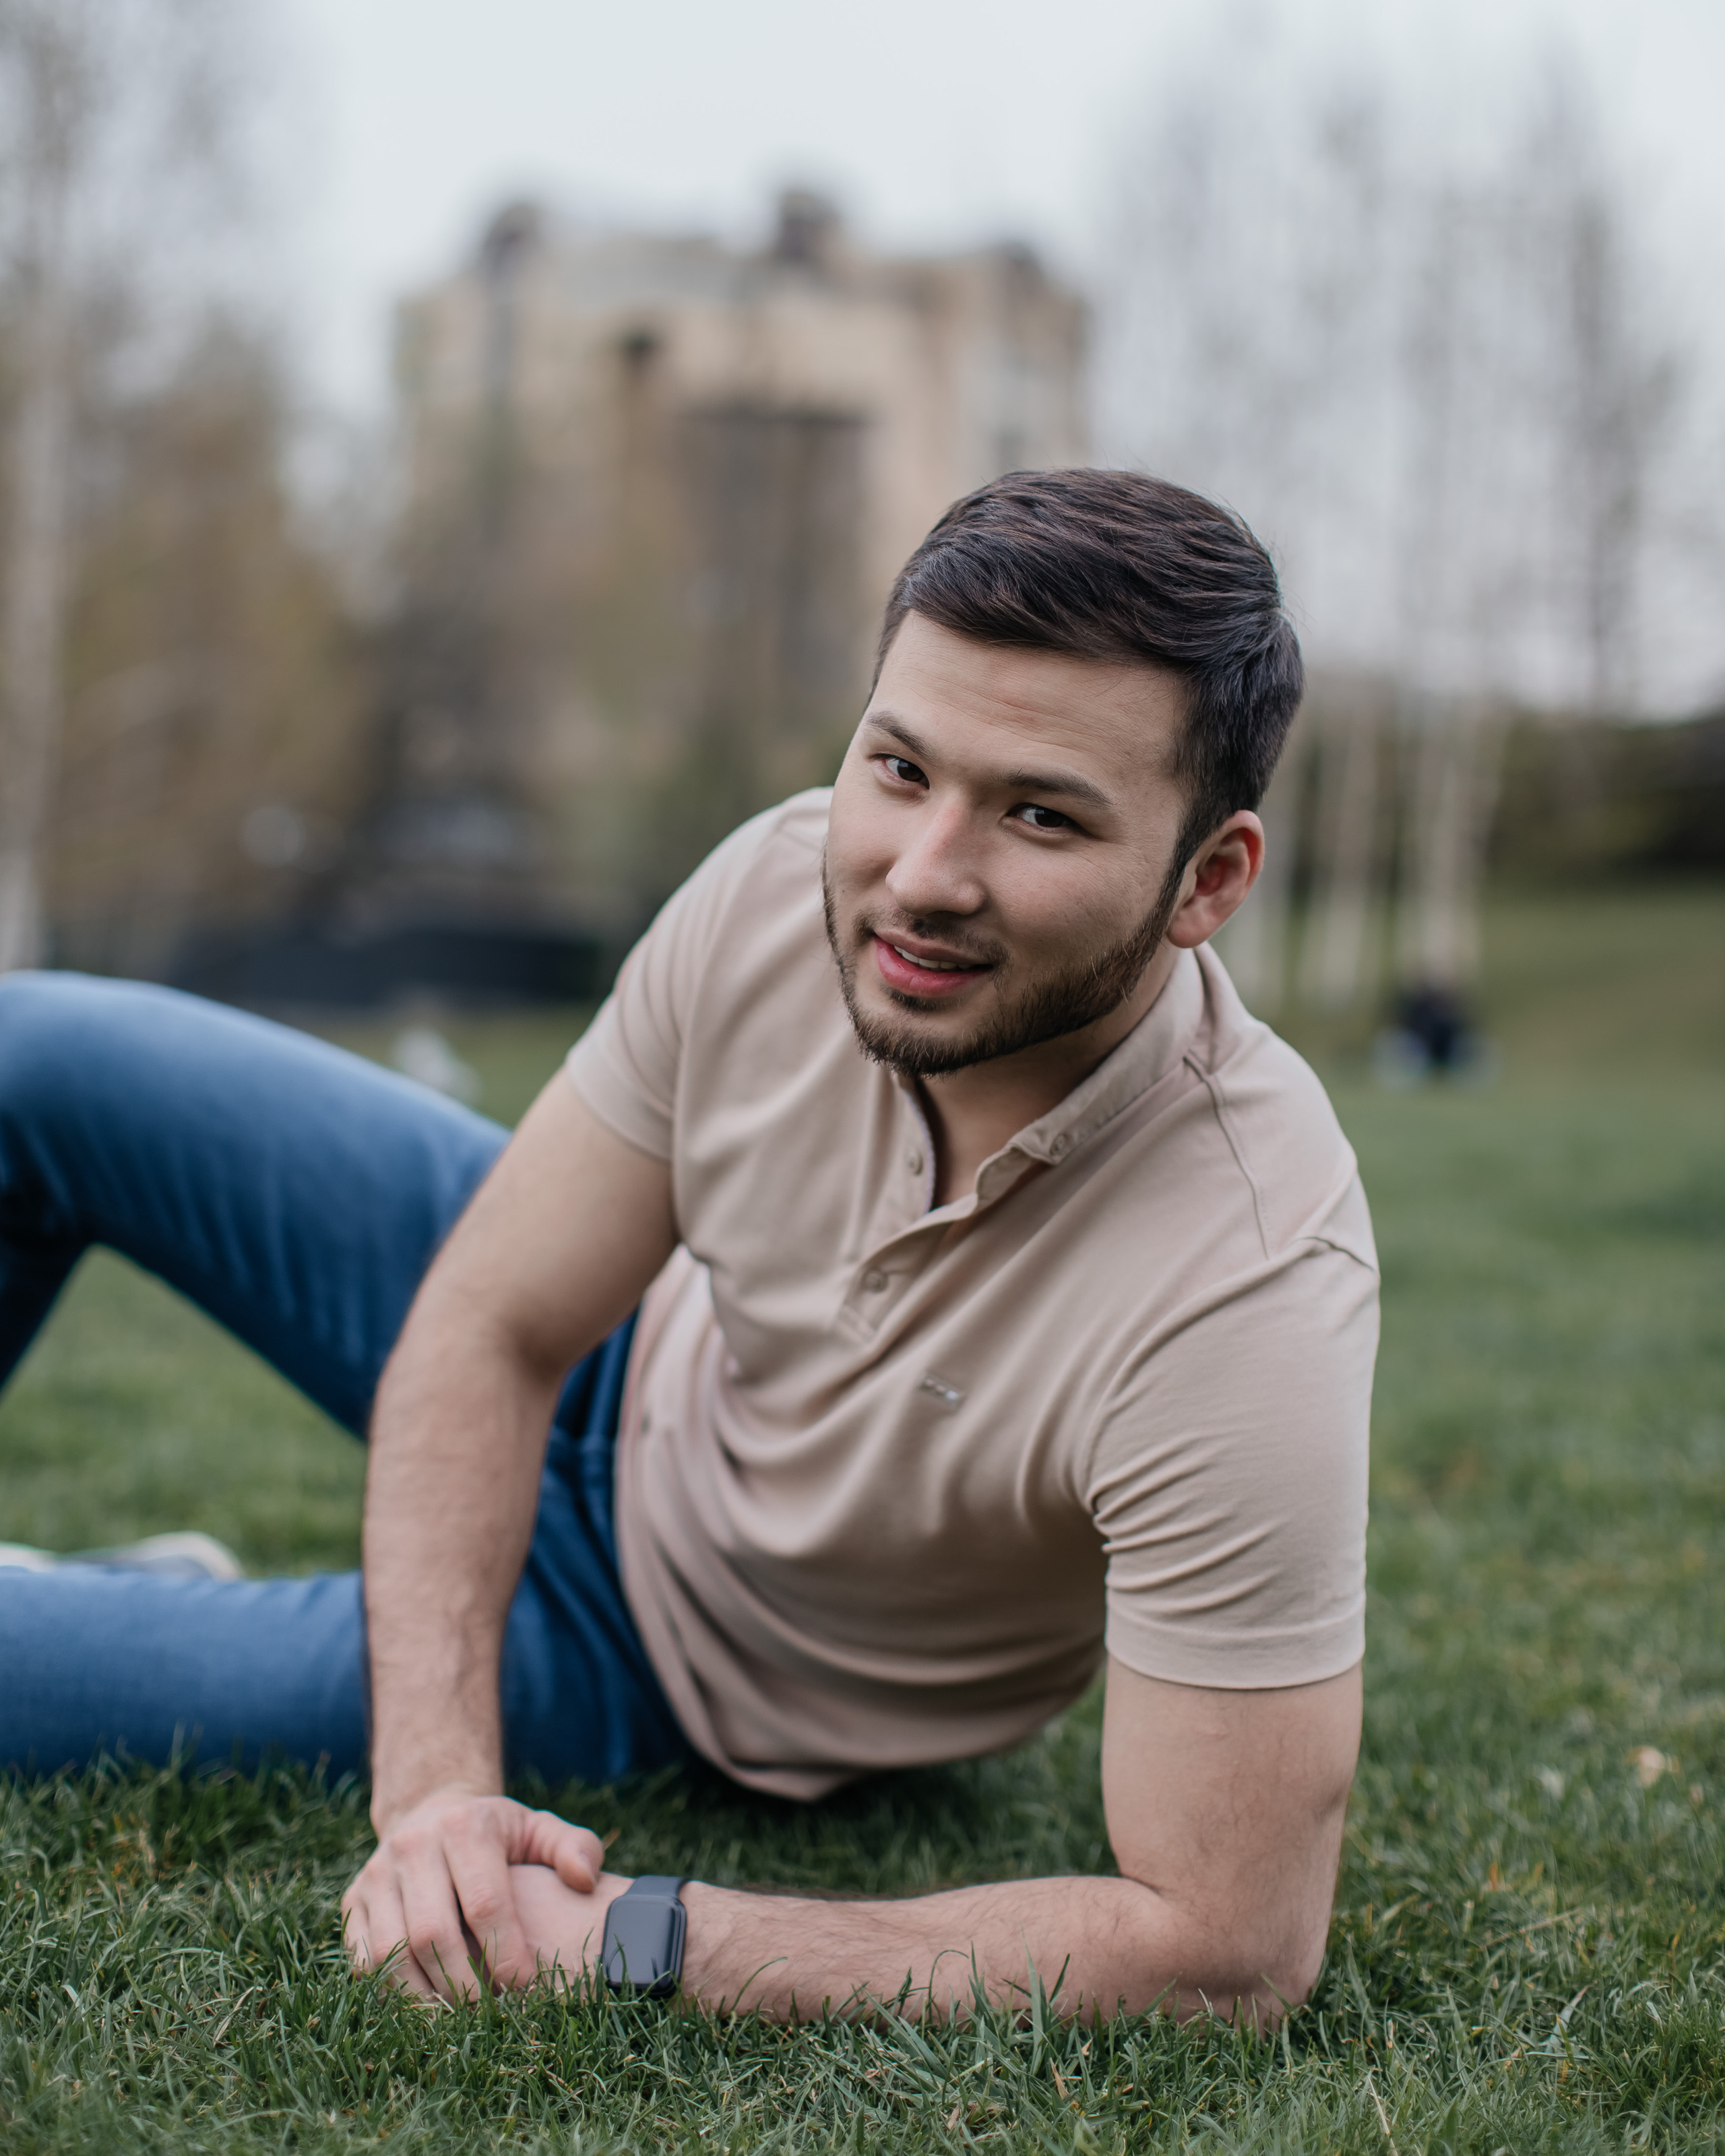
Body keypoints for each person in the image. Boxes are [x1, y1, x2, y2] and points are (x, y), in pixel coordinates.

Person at [0, 470, 1377, 2029]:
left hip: (662, 1651)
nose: (920, 875)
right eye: (898, 766)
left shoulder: (1248, 1278)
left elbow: (1226, 1946)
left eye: (1038, 812)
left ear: (1208, 879)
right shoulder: (778, 887)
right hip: (634, 1347)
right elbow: (500, 1320)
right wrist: (435, 1799)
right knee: (28, 1057)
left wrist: (639, 1937)